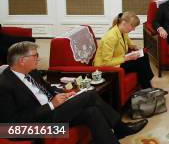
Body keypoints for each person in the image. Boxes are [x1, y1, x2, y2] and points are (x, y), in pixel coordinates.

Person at [0, 42, 147, 143]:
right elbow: (11, 126)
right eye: (35, 56)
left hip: (51, 111)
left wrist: (63, 93)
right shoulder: (5, 85)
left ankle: (115, 136)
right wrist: (51, 105)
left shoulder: (31, 72)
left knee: (92, 111)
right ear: (22, 60)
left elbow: (48, 89)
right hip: (34, 126)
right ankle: (120, 128)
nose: (38, 58)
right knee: (89, 95)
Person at [94, 12, 154, 89]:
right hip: (105, 68)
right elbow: (106, 62)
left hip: (117, 60)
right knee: (139, 63)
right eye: (132, 26)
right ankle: (147, 88)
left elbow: (128, 42)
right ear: (124, 23)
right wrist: (128, 58)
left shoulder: (122, 31)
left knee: (144, 55)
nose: (133, 29)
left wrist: (134, 47)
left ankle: (148, 84)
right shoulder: (110, 38)